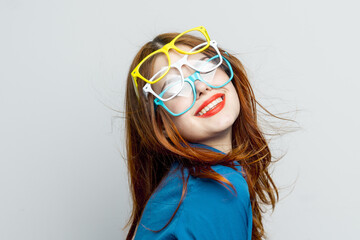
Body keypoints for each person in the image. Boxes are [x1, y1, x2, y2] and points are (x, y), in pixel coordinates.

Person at [123, 26, 284, 240]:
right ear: (160, 123)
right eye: (175, 86)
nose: (200, 86)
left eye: (205, 67)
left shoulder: (186, 185)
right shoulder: (215, 189)